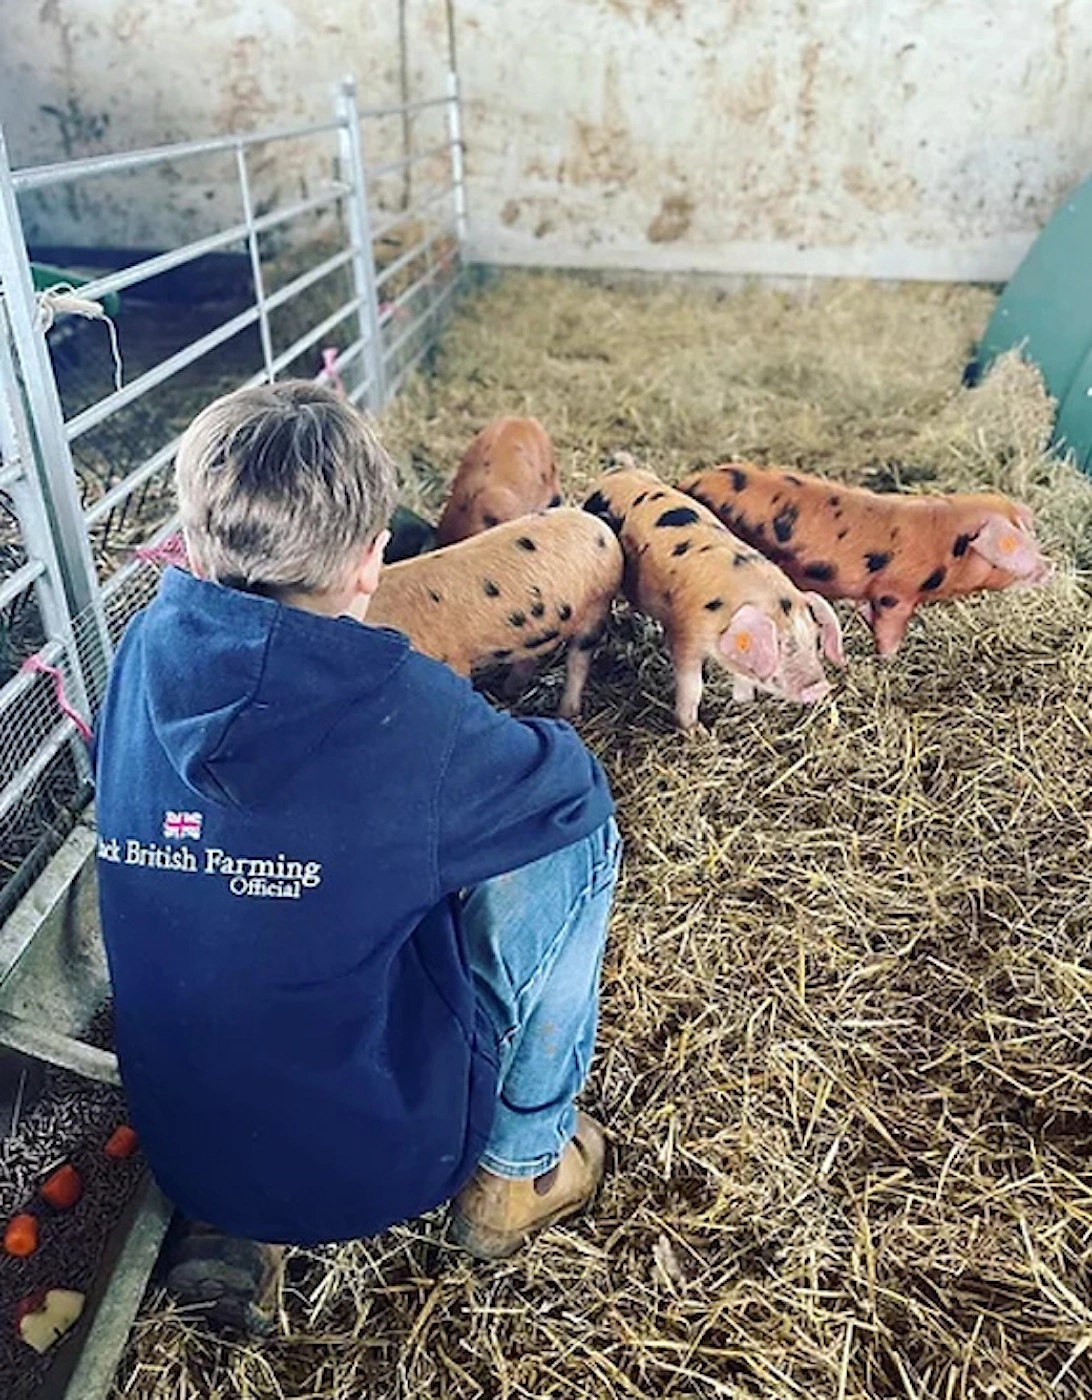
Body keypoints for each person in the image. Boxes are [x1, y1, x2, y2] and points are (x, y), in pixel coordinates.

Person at [93, 380, 621, 1329]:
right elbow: (568, 791)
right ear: (376, 559)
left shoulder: (139, 650)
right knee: (576, 840)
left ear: (193, 538)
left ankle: (233, 1224)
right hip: (380, 1155)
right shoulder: (406, 712)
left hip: (186, 1150)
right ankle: (517, 1167)